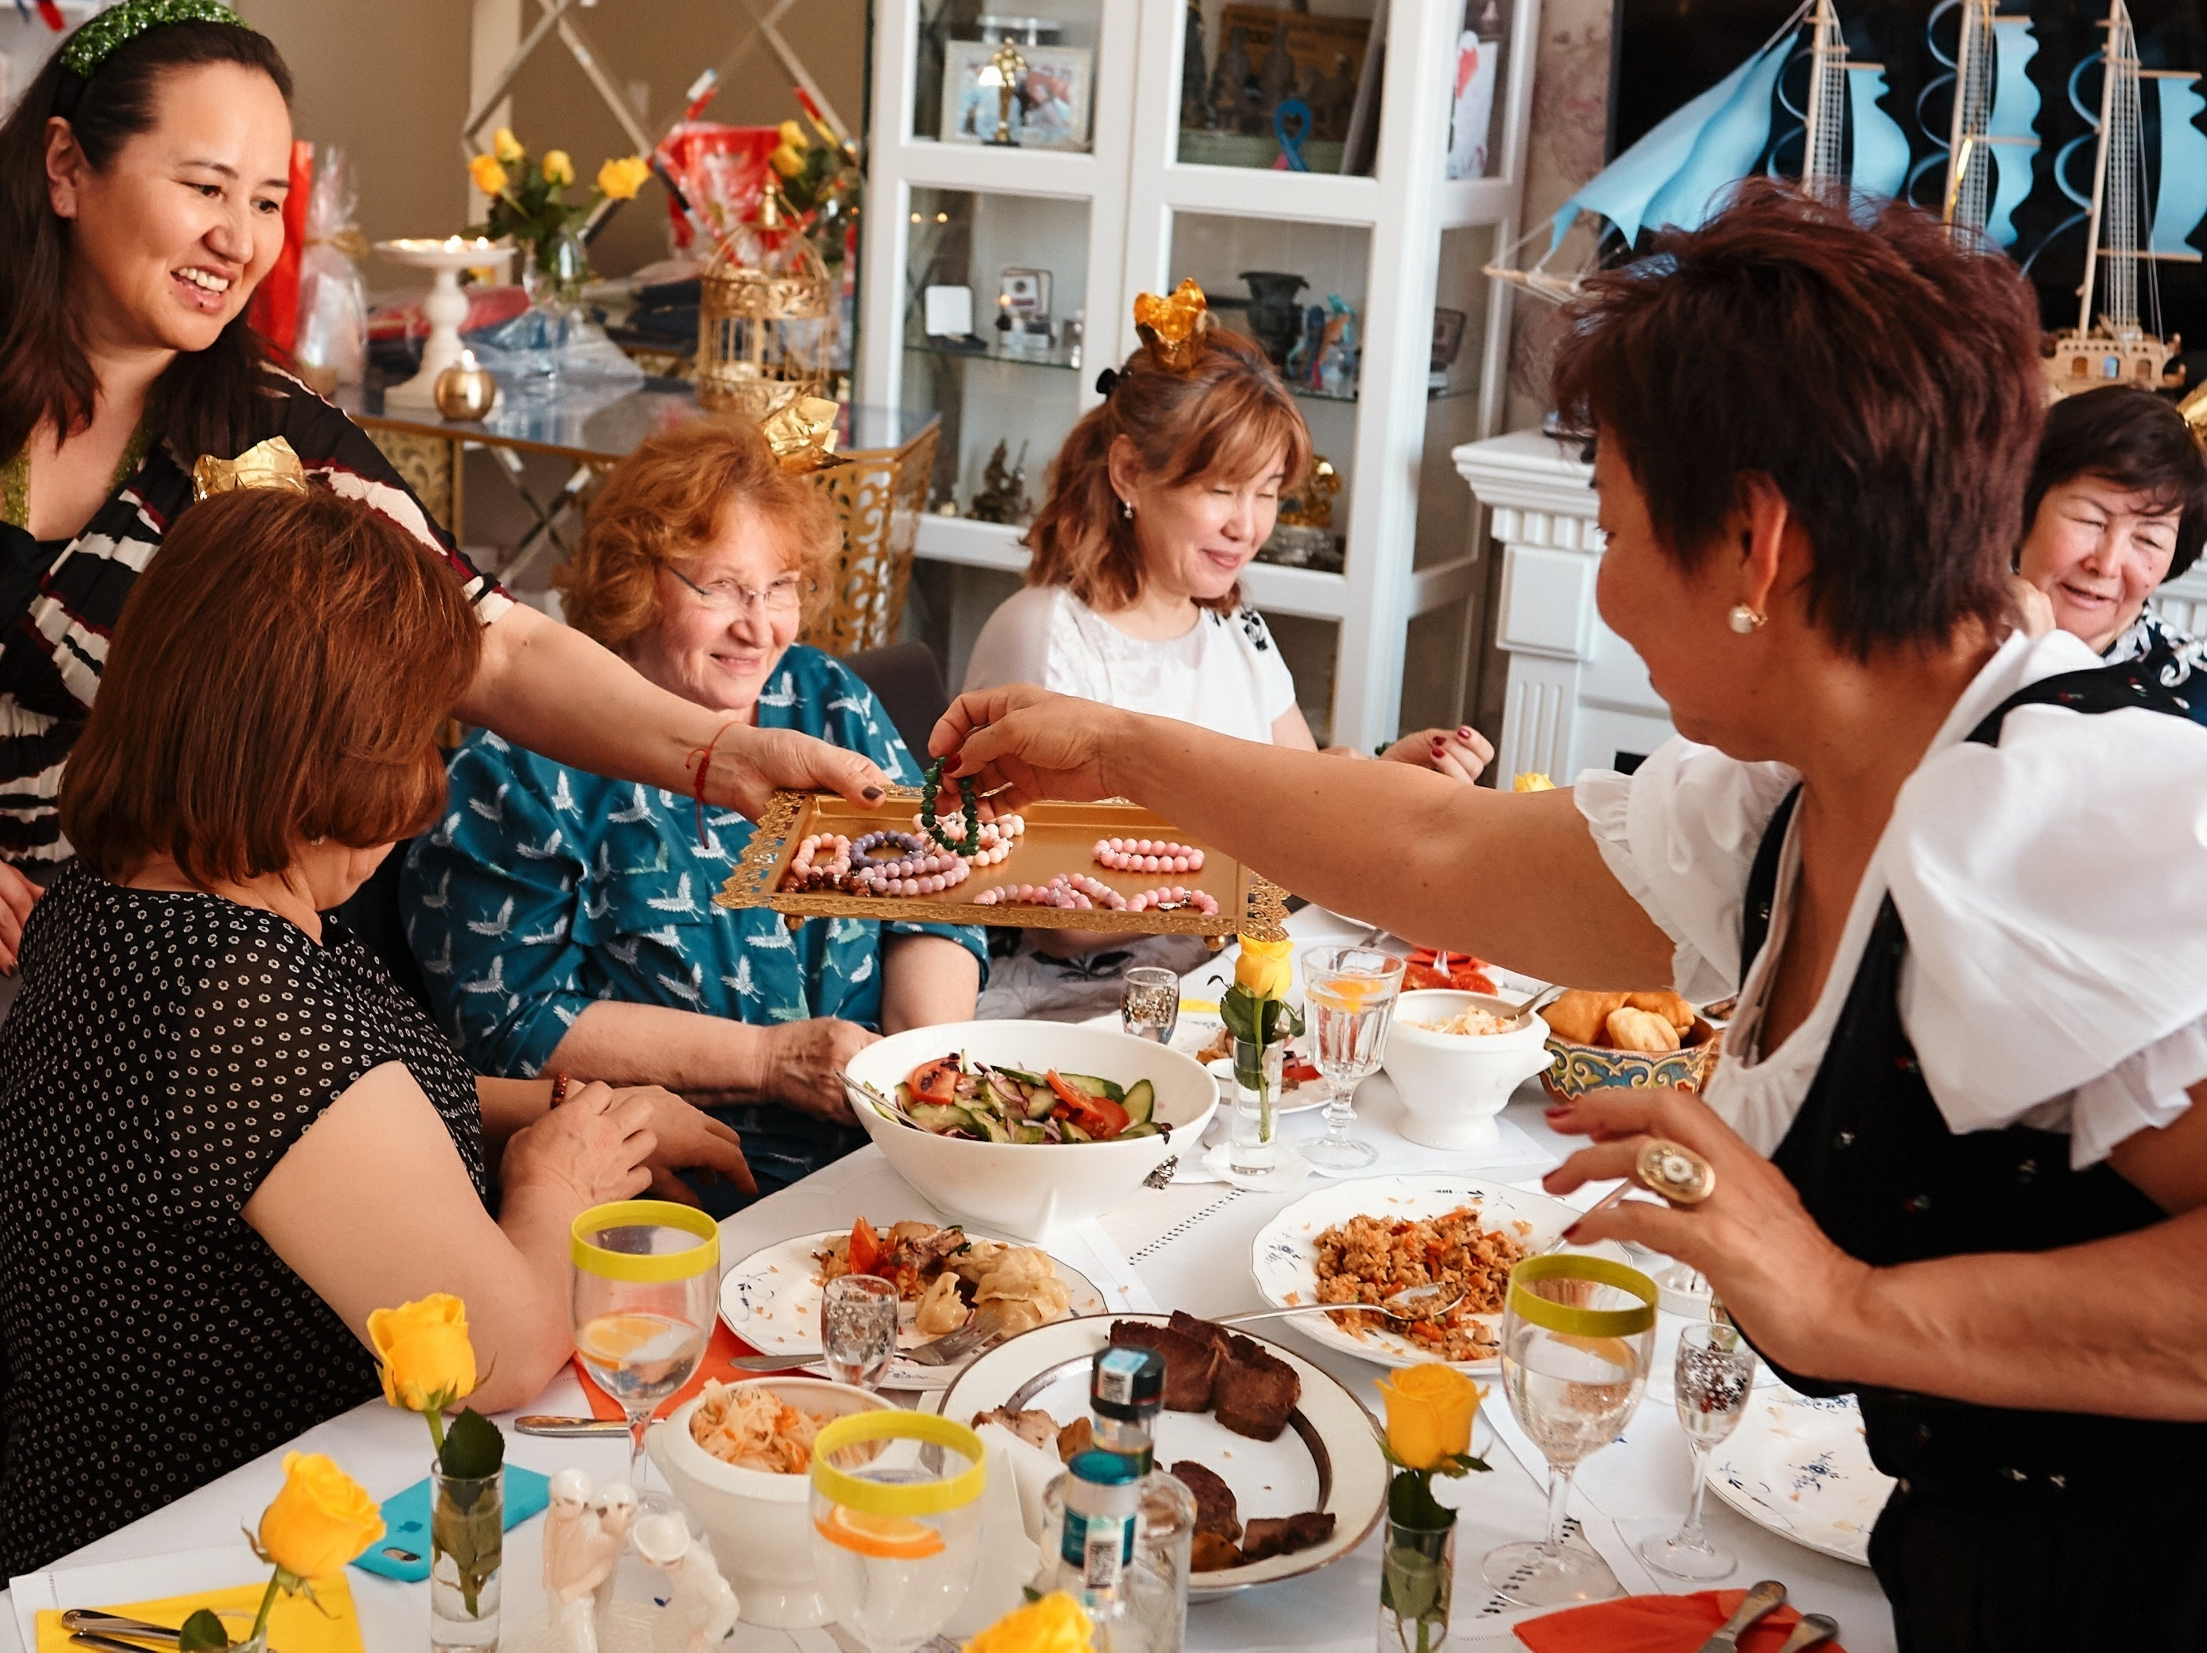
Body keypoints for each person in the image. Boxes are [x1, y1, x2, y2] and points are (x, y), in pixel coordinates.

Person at [928, 187, 2207, 1646]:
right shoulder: (1804, 789)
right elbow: (1436, 843)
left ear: (1756, 542)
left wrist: (1843, 1307)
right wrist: (1120, 746)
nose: (1600, 588)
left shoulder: (2065, 814)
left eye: (1613, 526)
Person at [0, 0, 877, 976]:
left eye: (267, 202)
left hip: (77, 970)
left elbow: (495, 644)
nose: (240, 238)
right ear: (67, 166)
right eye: (205, 187)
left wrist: (721, 758)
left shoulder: (258, 437)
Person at [0, 483, 753, 1573]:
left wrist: (561, 1110)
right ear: (321, 755)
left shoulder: (130, 899)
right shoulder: (233, 995)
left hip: (246, 1503)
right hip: (208, 1562)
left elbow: (329, 1123)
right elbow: (495, 1352)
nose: (424, 779)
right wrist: (555, 1177)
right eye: (410, 737)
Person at [406, 419, 984, 1208]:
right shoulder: (516, 773)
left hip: (895, 1163)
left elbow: (936, 895)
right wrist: (769, 1059)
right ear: (635, 581)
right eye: (720, 588)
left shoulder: (825, 700)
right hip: (689, 1197)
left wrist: (923, 1073)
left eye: (781, 586)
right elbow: (508, 1024)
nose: (759, 626)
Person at [962, 296, 1493, 779]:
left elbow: (1298, 790)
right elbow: (1028, 857)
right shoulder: (1046, 635)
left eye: (1267, 493)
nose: (1247, 528)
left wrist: (1385, 778)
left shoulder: (1236, 628)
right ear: (1128, 471)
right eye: (1221, 490)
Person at [2013, 384, 2207, 706]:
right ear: (2020, 510)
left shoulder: (2194, 690)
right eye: (2090, 521)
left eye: (2148, 540)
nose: (2106, 565)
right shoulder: (1934, 640)